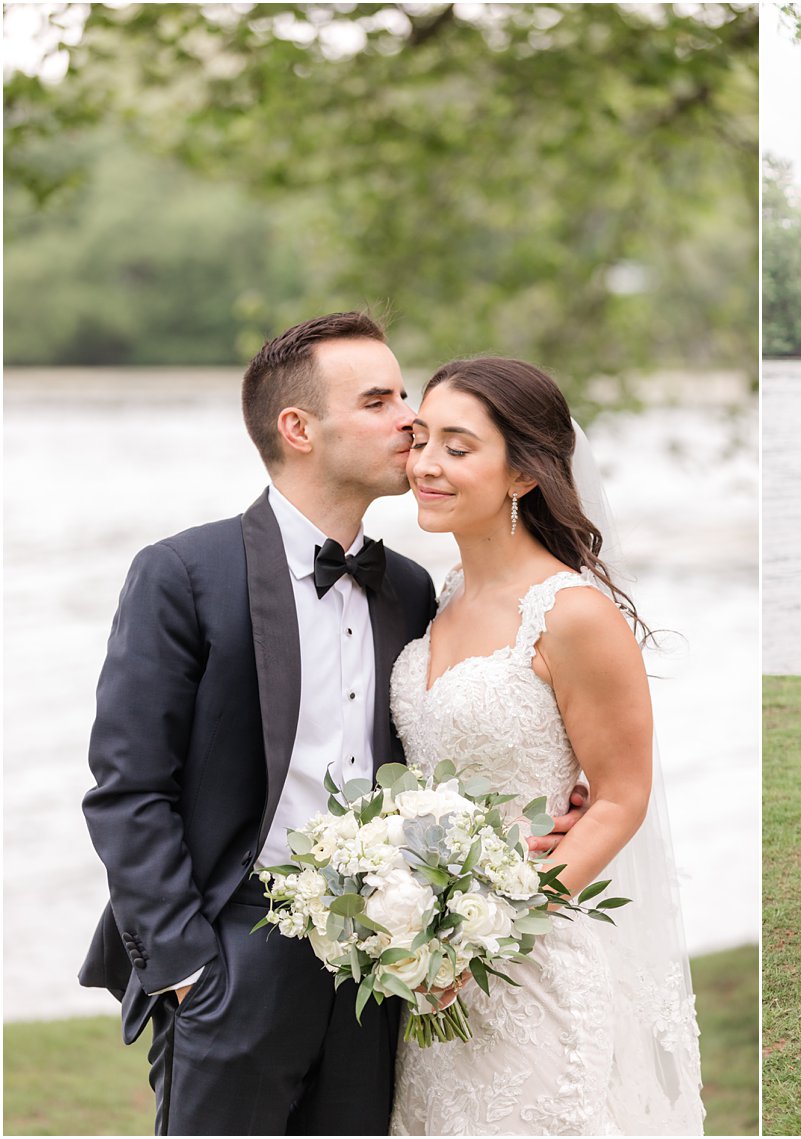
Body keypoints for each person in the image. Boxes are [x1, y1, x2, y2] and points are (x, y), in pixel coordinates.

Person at [79, 312, 436, 1133]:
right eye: (379, 399)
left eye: (404, 393)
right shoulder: (183, 573)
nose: (409, 418)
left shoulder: (411, 589)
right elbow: (129, 788)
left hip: (375, 965)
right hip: (232, 953)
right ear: (298, 427)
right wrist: (184, 967)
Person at [386, 357, 703, 1135]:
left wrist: (483, 930)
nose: (426, 463)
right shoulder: (442, 597)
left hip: (533, 966)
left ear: (523, 473)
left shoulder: (572, 613)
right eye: (421, 437)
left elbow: (620, 797)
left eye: (458, 448)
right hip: (434, 974)